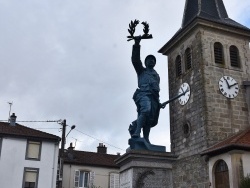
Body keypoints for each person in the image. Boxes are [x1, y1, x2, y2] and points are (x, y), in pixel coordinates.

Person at [131, 36, 164, 144]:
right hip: (143, 94)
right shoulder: (141, 71)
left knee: (150, 119)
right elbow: (135, 60)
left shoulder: (156, 76)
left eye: (153, 60)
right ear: (145, 62)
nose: (151, 61)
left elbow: (156, 91)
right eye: (149, 59)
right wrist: (136, 44)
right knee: (146, 109)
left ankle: (146, 138)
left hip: (153, 97)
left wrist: (159, 103)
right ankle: (136, 131)